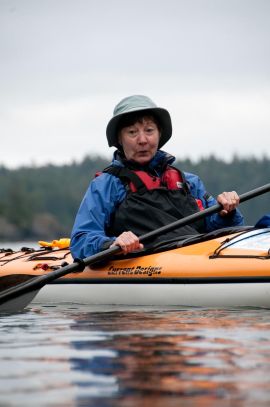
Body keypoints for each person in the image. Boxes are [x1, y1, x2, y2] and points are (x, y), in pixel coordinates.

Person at [70, 95, 244, 259]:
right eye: (132, 132)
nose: (142, 140)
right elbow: (81, 239)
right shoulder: (106, 185)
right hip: (143, 267)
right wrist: (110, 244)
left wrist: (226, 212)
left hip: (196, 259)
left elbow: (223, 229)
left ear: (159, 134)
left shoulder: (189, 182)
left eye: (149, 130)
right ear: (119, 139)